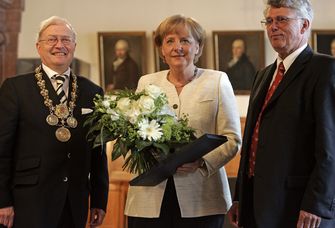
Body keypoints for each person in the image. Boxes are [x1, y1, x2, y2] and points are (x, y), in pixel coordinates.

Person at [124, 14, 242, 228]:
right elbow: (135, 133)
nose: (177, 47)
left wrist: (201, 162)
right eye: (170, 41)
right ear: (162, 50)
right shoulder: (146, 82)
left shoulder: (217, 80)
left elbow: (232, 139)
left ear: (198, 47)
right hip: (150, 197)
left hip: (201, 198)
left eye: (185, 40)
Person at [228, 0, 335, 227]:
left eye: (282, 20)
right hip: (256, 202)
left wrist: (317, 203)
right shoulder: (263, 74)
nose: (273, 27)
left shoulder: (325, 70)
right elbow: (251, 141)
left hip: (299, 206)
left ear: (304, 25)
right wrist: (240, 196)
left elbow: (330, 146)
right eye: (269, 21)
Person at [0, 16, 109, 228]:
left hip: (74, 201)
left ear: (74, 46)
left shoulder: (92, 92)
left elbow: (99, 151)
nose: (59, 45)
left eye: (66, 40)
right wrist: (2, 200)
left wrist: (99, 200)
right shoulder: (15, 89)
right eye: (52, 39)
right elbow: (2, 150)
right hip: (28, 201)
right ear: (38, 47)